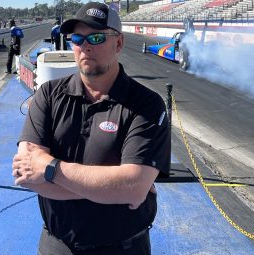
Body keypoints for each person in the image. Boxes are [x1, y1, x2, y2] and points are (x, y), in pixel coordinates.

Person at [12, 2, 170, 254]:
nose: (85, 46)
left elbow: (133, 187)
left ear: (118, 43)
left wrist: (50, 168)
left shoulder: (146, 105)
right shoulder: (49, 96)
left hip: (124, 248)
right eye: (77, 38)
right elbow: (26, 175)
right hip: (57, 245)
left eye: (96, 37)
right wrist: (112, 188)